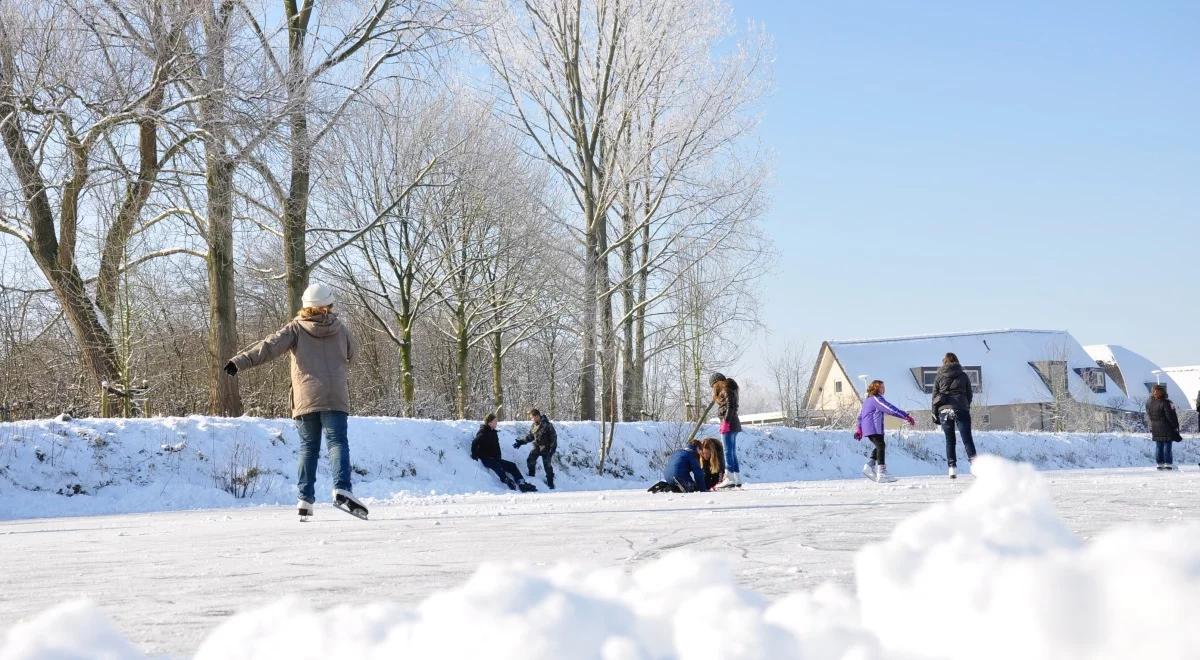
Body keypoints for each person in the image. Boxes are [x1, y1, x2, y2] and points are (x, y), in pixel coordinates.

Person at [224, 282, 367, 520]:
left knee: (308, 448)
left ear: (306, 306)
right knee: (337, 443)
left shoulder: (296, 329)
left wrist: (239, 362)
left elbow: (268, 347)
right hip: (335, 396)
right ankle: (342, 489)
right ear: (328, 305)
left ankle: (305, 500)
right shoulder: (340, 328)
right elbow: (353, 353)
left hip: (306, 397)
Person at [854, 380, 915, 482]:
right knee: (881, 445)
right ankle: (881, 473)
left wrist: (859, 429)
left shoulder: (868, 400)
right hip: (872, 427)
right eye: (881, 387)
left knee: (880, 446)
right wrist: (905, 416)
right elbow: (889, 408)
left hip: (874, 428)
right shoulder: (876, 399)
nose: (883, 389)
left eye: (883, 387)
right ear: (875, 389)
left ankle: (870, 465)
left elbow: (860, 416)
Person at [931, 352, 977, 479]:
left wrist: (934, 413)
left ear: (944, 362)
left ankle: (952, 468)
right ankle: (974, 466)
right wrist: (965, 405)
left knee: (950, 440)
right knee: (967, 438)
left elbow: (934, 397)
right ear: (957, 361)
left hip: (944, 410)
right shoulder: (963, 375)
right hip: (961, 408)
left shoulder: (939, 377)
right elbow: (969, 394)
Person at [473, 414, 537, 492]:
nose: (496, 423)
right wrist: (474, 454)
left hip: (495, 458)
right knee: (497, 466)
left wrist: (498, 456)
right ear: (490, 423)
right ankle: (506, 480)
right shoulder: (483, 432)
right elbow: (474, 442)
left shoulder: (493, 432)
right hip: (486, 458)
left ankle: (521, 483)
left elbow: (496, 446)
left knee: (512, 465)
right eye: (495, 421)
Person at [710, 373, 743, 488]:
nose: (713, 389)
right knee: (732, 452)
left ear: (716, 383)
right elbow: (732, 406)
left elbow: (730, 407)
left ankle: (729, 477)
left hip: (729, 424)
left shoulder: (725, 390)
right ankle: (736, 478)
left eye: (713, 386)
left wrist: (725, 423)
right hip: (734, 424)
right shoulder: (731, 389)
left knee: (727, 451)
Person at [514, 408, 557, 489]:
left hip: (546, 448)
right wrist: (521, 442)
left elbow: (554, 438)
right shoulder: (534, 425)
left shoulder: (548, 425)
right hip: (537, 447)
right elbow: (530, 436)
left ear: (537, 416)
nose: (531, 419)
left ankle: (550, 482)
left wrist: (552, 450)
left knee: (547, 466)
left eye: (532, 417)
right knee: (530, 460)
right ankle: (532, 476)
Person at [1146, 384, 1181, 470]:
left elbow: (1149, 414)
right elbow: (1171, 415)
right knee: (1167, 445)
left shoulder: (1150, 403)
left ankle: (1159, 463)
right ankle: (1168, 463)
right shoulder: (1167, 402)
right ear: (1163, 392)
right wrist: (1175, 425)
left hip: (1155, 427)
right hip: (1167, 427)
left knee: (1159, 446)